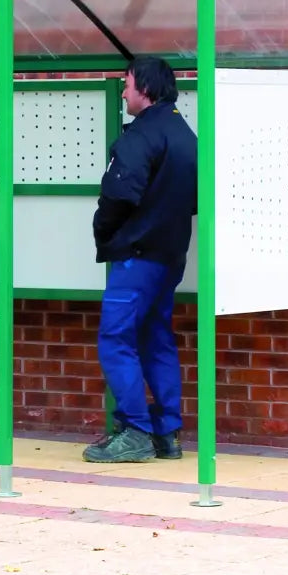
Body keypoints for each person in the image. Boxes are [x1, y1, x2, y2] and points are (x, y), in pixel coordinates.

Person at [84, 56, 197, 463]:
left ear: (145, 88)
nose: (124, 90)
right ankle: (168, 433)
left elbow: (117, 194)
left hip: (136, 256)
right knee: (156, 339)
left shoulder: (140, 136)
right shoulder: (185, 135)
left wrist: (105, 233)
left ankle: (133, 430)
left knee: (116, 340)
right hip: (170, 256)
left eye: (127, 83)